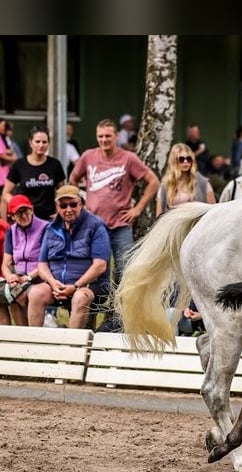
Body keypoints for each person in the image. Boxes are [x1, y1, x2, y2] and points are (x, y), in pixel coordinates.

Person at [69, 118, 160, 332]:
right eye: (100, 136)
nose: (104, 140)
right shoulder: (88, 157)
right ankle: (91, 320)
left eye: (108, 136)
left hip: (120, 225)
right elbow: (72, 179)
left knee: (124, 272)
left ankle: (119, 320)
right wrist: (80, 203)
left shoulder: (128, 158)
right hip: (93, 227)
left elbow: (153, 181)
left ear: (116, 136)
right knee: (96, 274)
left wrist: (137, 209)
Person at [26, 186, 111, 329]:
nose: (68, 209)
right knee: (36, 293)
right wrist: (53, 283)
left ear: (81, 204)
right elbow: (42, 265)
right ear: (57, 207)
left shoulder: (96, 226)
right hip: (57, 285)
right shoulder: (51, 228)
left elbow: (100, 265)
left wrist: (76, 286)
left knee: (80, 298)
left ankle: (72, 347)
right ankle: (35, 346)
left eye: (73, 204)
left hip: (90, 285)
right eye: (63, 205)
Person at [1, 126, 66, 222]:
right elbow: (6, 193)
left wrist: (60, 212)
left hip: (48, 221)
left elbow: (62, 193)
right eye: (37, 141)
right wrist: (18, 205)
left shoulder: (55, 164)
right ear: (30, 143)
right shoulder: (19, 164)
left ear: (48, 144)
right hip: (24, 220)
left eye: (44, 142)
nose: (41, 145)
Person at [1, 194, 48, 325]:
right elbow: (5, 264)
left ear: (32, 209)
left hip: (40, 277)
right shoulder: (11, 231)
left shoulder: (45, 228)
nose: (23, 216)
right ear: (11, 216)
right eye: (18, 213)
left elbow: (47, 263)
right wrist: (11, 277)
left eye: (26, 211)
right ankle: (14, 338)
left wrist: (27, 278)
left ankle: (29, 337)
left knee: (18, 295)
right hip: (20, 278)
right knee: (9, 292)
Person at [156, 143, 215, 217]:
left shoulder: (202, 182)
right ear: (174, 161)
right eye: (181, 159)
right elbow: (159, 215)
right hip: (174, 225)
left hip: (197, 225)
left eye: (189, 159)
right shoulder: (166, 184)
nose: (185, 162)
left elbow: (213, 210)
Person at [0, 118, 18, 192]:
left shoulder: (3, 138)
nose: (4, 128)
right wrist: (13, 159)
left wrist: (9, 152)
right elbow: (1, 154)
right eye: (3, 125)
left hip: (4, 171)